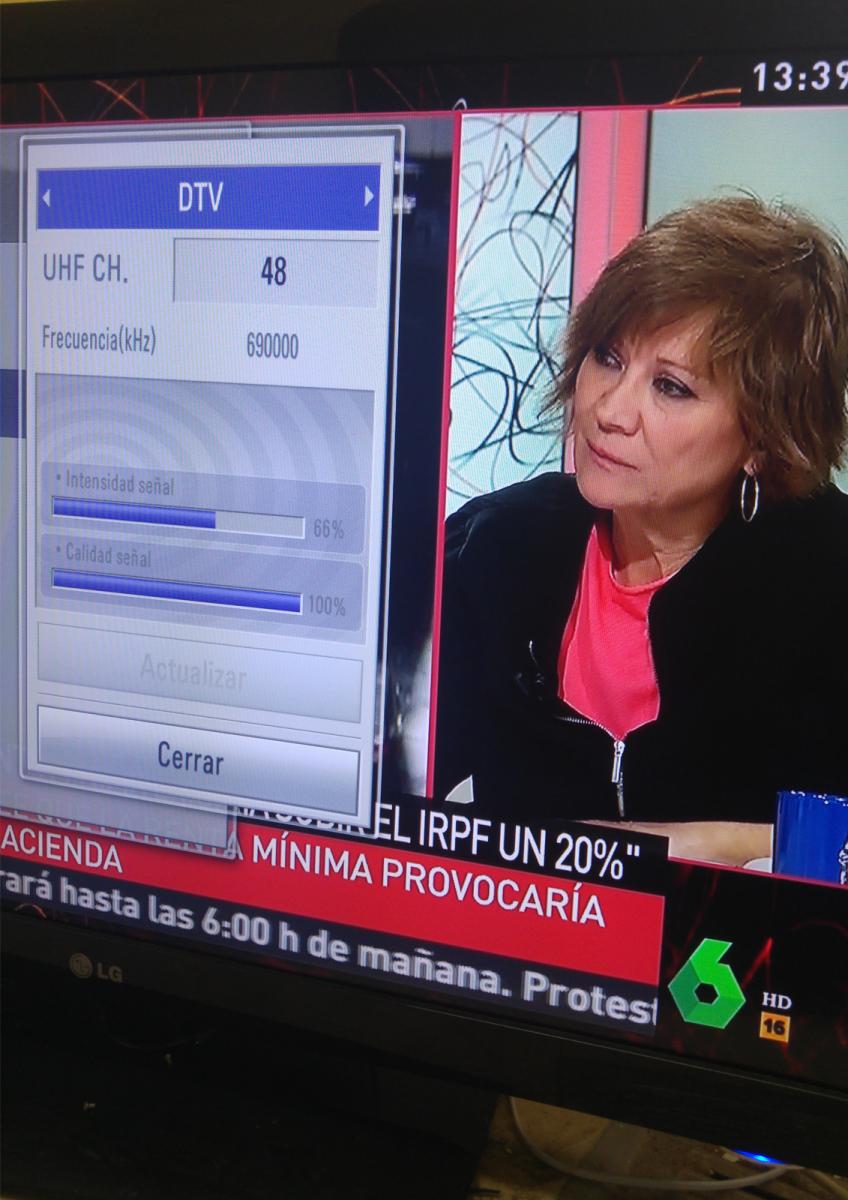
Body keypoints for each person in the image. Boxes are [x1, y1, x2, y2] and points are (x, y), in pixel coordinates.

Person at [434, 196, 848, 866]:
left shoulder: (829, 577)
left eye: (671, 387)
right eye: (607, 357)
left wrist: (698, 846)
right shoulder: (493, 547)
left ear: (763, 436)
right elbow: (381, 792)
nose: (611, 410)